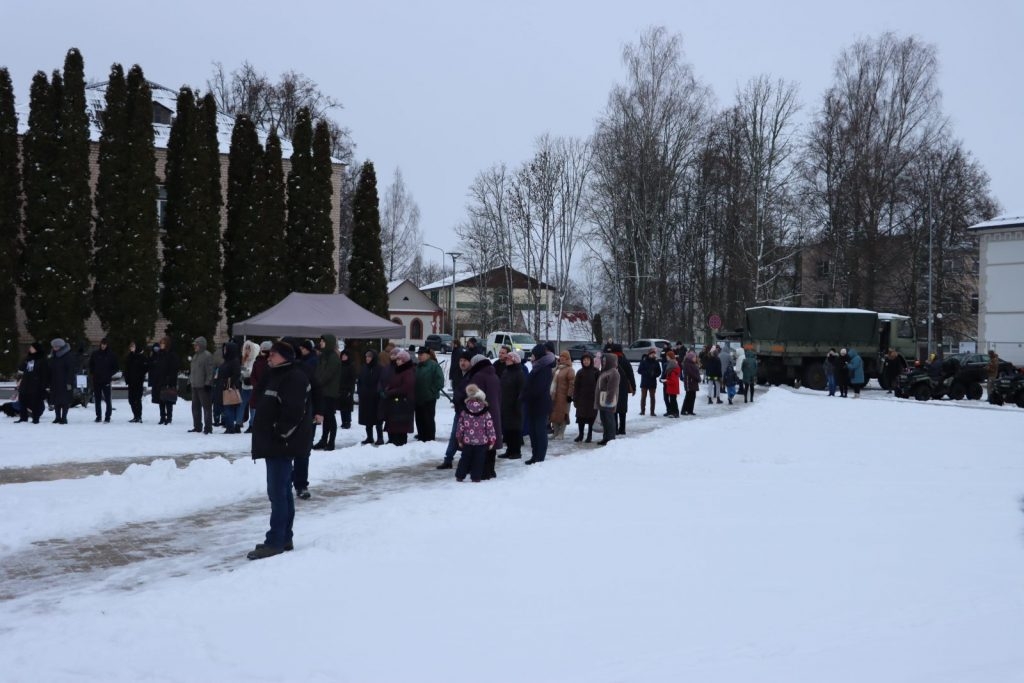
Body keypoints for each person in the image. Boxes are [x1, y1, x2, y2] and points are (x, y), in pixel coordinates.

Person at [247, 340, 312, 561]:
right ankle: (284, 537)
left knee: (277, 493)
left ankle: (275, 541)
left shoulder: (293, 377)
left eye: (273, 354)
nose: (269, 357)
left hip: (281, 444)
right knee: (282, 491)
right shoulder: (275, 374)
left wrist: (279, 433)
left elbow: (294, 412)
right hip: (273, 443)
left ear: (285, 356)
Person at [464, 353, 503, 478]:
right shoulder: (494, 375)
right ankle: (491, 470)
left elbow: (475, 397)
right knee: (492, 441)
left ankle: (483, 471)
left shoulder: (478, 376)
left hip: (481, 414)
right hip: (494, 411)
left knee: (482, 443)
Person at [454, 384, 497, 483]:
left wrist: (459, 439)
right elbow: (490, 427)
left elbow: (460, 426)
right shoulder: (486, 413)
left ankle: (460, 476)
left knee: (465, 459)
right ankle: (476, 477)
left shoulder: (464, 412)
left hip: (467, 441)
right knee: (479, 460)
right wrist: (492, 440)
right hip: (482, 442)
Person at [438, 350, 474, 468]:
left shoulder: (472, 376)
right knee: (455, 435)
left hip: (469, 412)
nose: (462, 363)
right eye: (461, 361)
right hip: (459, 411)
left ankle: (468, 461)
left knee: (468, 437)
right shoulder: (458, 375)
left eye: (465, 361)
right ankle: (448, 459)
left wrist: (460, 401)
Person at [522, 344, 555, 464]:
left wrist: (525, 395)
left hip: (540, 405)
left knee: (539, 432)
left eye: (533, 355)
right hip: (532, 405)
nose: (531, 357)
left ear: (538, 356)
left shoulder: (544, 368)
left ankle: (540, 457)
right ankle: (534, 455)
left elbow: (539, 388)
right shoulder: (537, 367)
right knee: (533, 432)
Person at [312, 334, 342, 451]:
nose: (321, 343)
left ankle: (331, 441)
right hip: (322, 391)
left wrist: (317, 383)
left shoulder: (333, 357)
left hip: (330, 392)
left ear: (328, 342)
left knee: (330, 417)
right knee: (325, 417)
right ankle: (324, 440)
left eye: (323, 341)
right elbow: (318, 371)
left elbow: (327, 375)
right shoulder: (324, 356)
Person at [382, 348, 416, 446]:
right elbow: (394, 383)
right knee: (395, 425)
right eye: (397, 359)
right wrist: (388, 389)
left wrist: (390, 392)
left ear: (404, 360)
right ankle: (393, 441)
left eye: (399, 359)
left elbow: (405, 388)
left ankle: (400, 443)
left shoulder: (408, 372)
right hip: (396, 403)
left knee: (400, 426)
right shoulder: (399, 370)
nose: (397, 361)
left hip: (403, 404)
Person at [499, 351, 525, 457]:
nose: (506, 361)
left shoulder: (519, 373)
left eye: (509, 359)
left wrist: (518, 405)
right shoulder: (506, 372)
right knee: (507, 429)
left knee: (515, 429)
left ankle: (516, 451)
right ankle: (509, 450)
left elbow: (522, 391)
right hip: (505, 404)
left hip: (515, 406)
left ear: (514, 360)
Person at [414, 347, 444, 441]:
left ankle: (430, 437)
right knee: (419, 418)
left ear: (427, 355)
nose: (419, 356)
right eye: (418, 354)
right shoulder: (418, 366)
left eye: (421, 354)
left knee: (428, 418)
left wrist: (431, 391)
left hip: (429, 398)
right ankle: (421, 435)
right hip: (418, 397)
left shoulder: (433, 366)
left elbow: (440, 381)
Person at [88, 338, 119, 423]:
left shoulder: (111, 355)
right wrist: (93, 373)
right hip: (96, 380)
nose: (103, 345)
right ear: (100, 344)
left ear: (107, 345)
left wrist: (109, 374)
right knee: (97, 399)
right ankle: (98, 416)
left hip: (106, 380)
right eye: (102, 344)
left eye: (105, 344)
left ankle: (108, 416)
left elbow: (116, 367)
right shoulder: (95, 354)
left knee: (107, 399)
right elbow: (91, 365)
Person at [17, 342, 48, 424]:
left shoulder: (42, 360)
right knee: (22, 400)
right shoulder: (28, 358)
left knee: (35, 402)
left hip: (35, 384)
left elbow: (44, 374)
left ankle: (35, 418)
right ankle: (23, 418)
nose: (30, 349)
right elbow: (21, 369)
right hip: (25, 383)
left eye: (32, 348)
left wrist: (43, 386)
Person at [357, 349, 383, 446]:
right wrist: (360, 391)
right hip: (365, 397)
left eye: (369, 357)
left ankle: (380, 437)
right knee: (367, 419)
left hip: (376, 398)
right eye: (366, 356)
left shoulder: (379, 368)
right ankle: (369, 437)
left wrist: (378, 392)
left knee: (377, 419)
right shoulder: (364, 368)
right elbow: (359, 380)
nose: (367, 358)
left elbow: (381, 382)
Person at [189, 336, 215, 433]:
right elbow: (193, 371)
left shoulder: (207, 356)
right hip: (195, 386)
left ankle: (208, 428)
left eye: (196, 345)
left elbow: (210, 371)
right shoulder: (195, 356)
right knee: (195, 408)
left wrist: (208, 383)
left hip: (204, 387)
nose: (194, 346)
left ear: (201, 345)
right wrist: (190, 381)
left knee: (206, 408)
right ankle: (197, 426)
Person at [151, 337, 179, 425]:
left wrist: (169, 378)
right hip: (159, 380)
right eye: (161, 343)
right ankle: (162, 417)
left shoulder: (171, 354)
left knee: (168, 399)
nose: (161, 345)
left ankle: (169, 417)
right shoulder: (159, 354)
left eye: (163, 343)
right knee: (161, 400)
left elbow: (174, 368)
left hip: (168, 380)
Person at [48, 338, 76, 424]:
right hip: (55, 381)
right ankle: (57, 417)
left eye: (56, 346)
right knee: (56, 401)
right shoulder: (53, 356)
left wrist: (69, 382)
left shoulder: (67, 356)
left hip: (65, 382)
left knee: (64, 401)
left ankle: (64, 418)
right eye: (53, 346)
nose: (54, 348)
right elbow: (50, 368)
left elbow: (71, 370)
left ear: (60, 347)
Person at [572, 351, 600, 440]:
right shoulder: (580, 372)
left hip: (592, 399)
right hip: (582, 399)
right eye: (584, 360)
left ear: (591, 360)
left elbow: (599, 386)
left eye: (587, 360)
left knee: (591, 418)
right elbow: (576, 387)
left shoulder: (596, 372)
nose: (586, 361)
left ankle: (589, 435)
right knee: (581, 418)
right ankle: (580, 435)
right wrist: (575, 399)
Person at [595, 352, 620, 445]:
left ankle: (611, 438)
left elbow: (612, 388)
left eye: (605, 361)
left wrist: (608, 400)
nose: (604, 362)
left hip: (608, 401)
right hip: (602, 400)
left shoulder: (613, 372)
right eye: (603, 360)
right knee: (604, 420)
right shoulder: (605, 371)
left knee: (609, 420)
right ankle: (606, 437)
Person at [549, 350, 575, 440]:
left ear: (568, 358)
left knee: (563, 414)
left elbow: (572, 383)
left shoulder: (570, 370)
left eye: (564, 357)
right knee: (554, 414)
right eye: (561, 356)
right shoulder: (558, 368)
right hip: (555, 396)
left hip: (564, 396)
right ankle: (555, 432)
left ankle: (561, 433)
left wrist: (569, 395)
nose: (562, 358)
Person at [218, 341, 243, 434]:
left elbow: (236, 374)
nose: (224, 351)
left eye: (226, 349)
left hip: (230, 389)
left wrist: (228, 382)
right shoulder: (227, 361)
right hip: (224, 387)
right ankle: (229, 426)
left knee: (229, 408)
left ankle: (230, 428)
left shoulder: (234, 361)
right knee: (226, 409)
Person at [247, 341, 272, 432]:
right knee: (254, 408)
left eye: (265, 351)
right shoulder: (257, 361)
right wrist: (256, 384)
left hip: (267, 390)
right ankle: (252, 424)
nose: (262, 352)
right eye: (262, 350)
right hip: (257, 389)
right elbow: (253, 375)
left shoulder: (271, 362)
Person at [612, 344, 636, 435]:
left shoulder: (611, 360)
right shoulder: (625, 361)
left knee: (613, 408)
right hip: (623, 388)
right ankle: (622, 429)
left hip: (612, 387)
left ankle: (615, 429)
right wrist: (634, 387)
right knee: (622, 409)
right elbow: (631, 374)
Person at [124, 340, 150, 423]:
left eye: (133, 346)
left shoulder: (141, 357)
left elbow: (146, 367)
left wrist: (140, 375)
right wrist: (127, 378)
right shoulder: (129, 357)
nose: (131, 348)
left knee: (137, 399)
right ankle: (135, 416)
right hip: (131, 382)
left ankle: (139, 416)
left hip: (138, 382)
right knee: (131, 400)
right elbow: (126, 369)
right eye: (131, 346)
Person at [239, 340, 261, 428]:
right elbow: (242, 371)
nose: (247, 350)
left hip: (252, 387)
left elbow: (252, 372)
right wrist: (243, 372)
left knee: (252, 407)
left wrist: (245, 371)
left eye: (249, 348)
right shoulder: (245, 359)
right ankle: (238, 422)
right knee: (242, 405)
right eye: (246, 348)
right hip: (245, 386)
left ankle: (252, 424)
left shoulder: (255, 360)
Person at [637, 347, 661, 416]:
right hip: (644, 381)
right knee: (643, 397)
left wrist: (655, 374)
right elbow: (639, 370)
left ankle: (652, 412)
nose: (653, 355)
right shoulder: (644, 361)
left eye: (654, 354)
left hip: (652, 382)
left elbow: (659, 372)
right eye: (652, 353)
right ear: (649, 354)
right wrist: (647, 373)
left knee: (652, 397)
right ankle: (642, 411)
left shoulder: (656, 362)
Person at [337, 347, 356, 430]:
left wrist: (350, 390)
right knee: (341, 406)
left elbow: (352, 379)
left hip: (347, 389)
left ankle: (348, 422)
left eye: (345, 355)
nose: (343, 357)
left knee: (347, 407)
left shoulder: (351, 366)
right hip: (340, 388)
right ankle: (343, 421)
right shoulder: (340, 365)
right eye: (342, 355)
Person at [661, 350, 680, 417]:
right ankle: (672, 412)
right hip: (671, 386)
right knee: (671, 399)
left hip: (672, 386)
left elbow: (673, 380)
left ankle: (675, 412)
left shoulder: (672, 367)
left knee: (673, 400)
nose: (666, 357)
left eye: (667, 356)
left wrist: (666, 381)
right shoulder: (669, 365)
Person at [682, 350, 701, 415]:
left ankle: (690, 410)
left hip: (693, 383)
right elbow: (691, 373)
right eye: (694, 357)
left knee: (693, 396)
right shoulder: (687, 364)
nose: (695, 359)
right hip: (689, 382)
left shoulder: (693, 364)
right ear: (691, 358)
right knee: (688, 396)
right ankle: (684, 410)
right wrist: (698, 378)